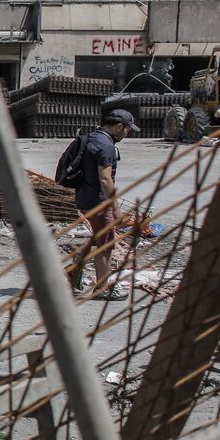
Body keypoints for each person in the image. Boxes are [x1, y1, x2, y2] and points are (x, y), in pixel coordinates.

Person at [73, 109, 139, 301]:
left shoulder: (92, 138)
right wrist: (115, 207)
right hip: (98, 201)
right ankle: (103, 289)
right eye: (127, 130)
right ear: (119, 127)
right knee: (106, 244)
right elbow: (106, 179)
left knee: (99, 236)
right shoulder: (106, 146)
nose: (127, 134)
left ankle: (73, 271)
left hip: (84, 198)